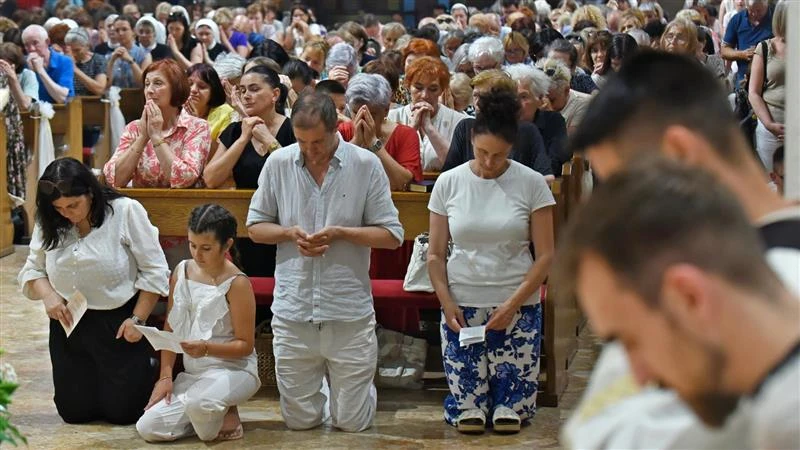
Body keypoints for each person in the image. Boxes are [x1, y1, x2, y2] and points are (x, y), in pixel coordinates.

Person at [562, 50, 800, 450]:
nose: (621, 212)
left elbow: (603, 436)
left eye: (624, 187)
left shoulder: (708, 282)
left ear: (679, 154)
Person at [246, 92, 404, 432]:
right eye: (301, 141)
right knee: (300, 422)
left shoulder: (364, 164)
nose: (309, 150)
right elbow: (255, 227)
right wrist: (289, 234)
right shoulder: (279, 162)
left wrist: (342, 233)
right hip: (294, 307)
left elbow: (392, 235)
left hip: (347, 308)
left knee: (352, 423)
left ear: (337, 129)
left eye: (317, 141)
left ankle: (347, 398)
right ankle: (323, 394)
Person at [428, 86, 554, 434]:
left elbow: (545, 255)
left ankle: (509, 404)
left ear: (511, 148)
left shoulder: (531, 184)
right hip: (462, 302)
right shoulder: (449, 183)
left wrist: (512, 305)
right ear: (471, 140)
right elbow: (436, 254)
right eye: (482, 152)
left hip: (517, 301)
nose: (487, 162)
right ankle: (471, 403)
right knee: (468, 409)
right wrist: (445, 300)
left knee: (510, 409)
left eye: (497, 156)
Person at [18, 158, 170, 425]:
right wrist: (49, 295)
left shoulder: (125, 211)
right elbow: (32, 270)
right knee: (74, 413)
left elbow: (155, 271)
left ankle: (147, 366)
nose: (67, 213)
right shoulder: (52, 219)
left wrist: (138, 320)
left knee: (123, 413)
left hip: (119, 322)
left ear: (90, 193)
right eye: (59, 207)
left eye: (73, 205)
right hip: (69, 322)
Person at [136, 204, 260, 442]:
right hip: (195, 375)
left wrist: (207, 349)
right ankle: (218, 410)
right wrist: (165, 377)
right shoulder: (181, 271)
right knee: (149, 427)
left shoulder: (238, 283)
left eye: (206, 248)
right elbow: (170, 328)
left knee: (200, 404)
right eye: (192, 245)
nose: (196, 254)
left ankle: (223, 405)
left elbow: (245, 345)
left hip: (232, 370)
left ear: (227, 245)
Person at [104, 59, 210, 188]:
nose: (149, 90)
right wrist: (143, 137)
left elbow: (185, 179)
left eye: (158, 83)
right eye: (147, 84)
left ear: (177, 88)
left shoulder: (197, 127)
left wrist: (156, 137)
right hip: (141, 205)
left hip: (183, 205)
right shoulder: (134, 128)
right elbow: (112, 180)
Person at [443, 70, 553, 180]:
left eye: (484, 97)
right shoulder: (465, 127)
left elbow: (547, 177)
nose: (477, 103)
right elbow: (448, 176)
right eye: (475, 96)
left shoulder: (527, 130)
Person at [339, 73, 422, 190]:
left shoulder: (406, 135)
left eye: (371, 114)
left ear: (386, 110)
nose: (362, 120)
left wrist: (374, 144)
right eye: (355, 112)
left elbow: (403, 184)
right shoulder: (342, 131)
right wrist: (356, 142)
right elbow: (330, 177)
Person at [388, 56, 468, 171]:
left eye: (433, 89)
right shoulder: (392, 117)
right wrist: (411, 130)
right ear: (408, 86)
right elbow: (388, 163)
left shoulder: (459, 121)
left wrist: (429, 128)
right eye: (418, 88)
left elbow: (457, 166)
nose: (425, 95)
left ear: (442, 90)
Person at [506, 64, 569, 176]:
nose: (515, 103)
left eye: (523, 97)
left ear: (540, 99)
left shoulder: (553, 122)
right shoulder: (499, 125)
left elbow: (555, 165)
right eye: (511, 97)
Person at [748, 0, 785, 172]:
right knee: (777, 183)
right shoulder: (765, 48)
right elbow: (753, 93)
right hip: (772, 132)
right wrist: (770, 124)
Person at [184, 63, 235, 161]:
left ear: (213, 91)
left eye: (202, 86)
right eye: (189, 84)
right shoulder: (175, 110)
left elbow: (218, 158)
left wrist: (198, 125)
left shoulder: (225, 113)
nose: (193, 90)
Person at [721, 0, 773, 88]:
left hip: (770, 81)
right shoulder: (737, 20)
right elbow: (724, 51)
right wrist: (743, 54)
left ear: (766, 5)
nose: (754, 14)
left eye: (759, 11)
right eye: (751, 10)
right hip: (744, 80)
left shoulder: (775, 18)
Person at [537, 57, 591, 134]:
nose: (544, 103)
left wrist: (551, 116)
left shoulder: (584, 104)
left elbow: (568, 142)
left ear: (566, 90)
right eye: (540, 97)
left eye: (551, 100)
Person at [22, 24, 73, 103]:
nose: (31, 49)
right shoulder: (23, 63)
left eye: (35, 43)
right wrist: (30, 73)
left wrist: (40, 71)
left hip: (61, 112)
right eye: (26, 45)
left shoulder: (64, 61)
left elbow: (62, 98)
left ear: (47, 42)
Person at [106, 15, 152, 89]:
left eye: (124, 29)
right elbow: (106, 86)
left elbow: (143, 83)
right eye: (117, 30)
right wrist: (112, 61)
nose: (120, 33)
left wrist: (130, 61)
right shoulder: (109, 56)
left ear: (133, 31)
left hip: (137, 97)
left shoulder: (144, 54)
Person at [64, 28, 107, 96]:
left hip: (92, 103)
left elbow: (100, 90)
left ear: (87, 46)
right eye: (70, 50)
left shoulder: (98, 60)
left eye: (77, 50)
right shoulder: (63, 60)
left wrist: (75, 69)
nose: (73, 54)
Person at [0, 41, 39, 112]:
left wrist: (13, 79)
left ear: (16, 65)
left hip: (25, 120)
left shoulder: (28, 75)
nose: (2, 68)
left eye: (5, 65)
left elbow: (25, 105)